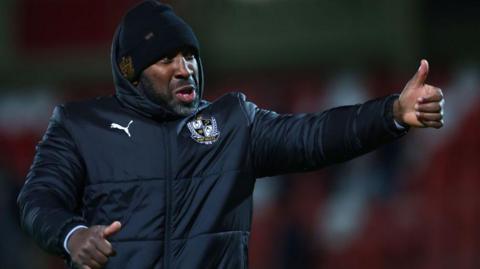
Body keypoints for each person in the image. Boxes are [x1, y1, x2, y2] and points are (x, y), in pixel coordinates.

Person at [17, 1, 444, 268]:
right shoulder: (79, 126)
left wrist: (391, 112)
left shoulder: (233, 122)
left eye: (190, 56)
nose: (186, 68)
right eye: (167, 59)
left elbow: (313, 136)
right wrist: (74, 236)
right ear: (132, 72)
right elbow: (38, 201)